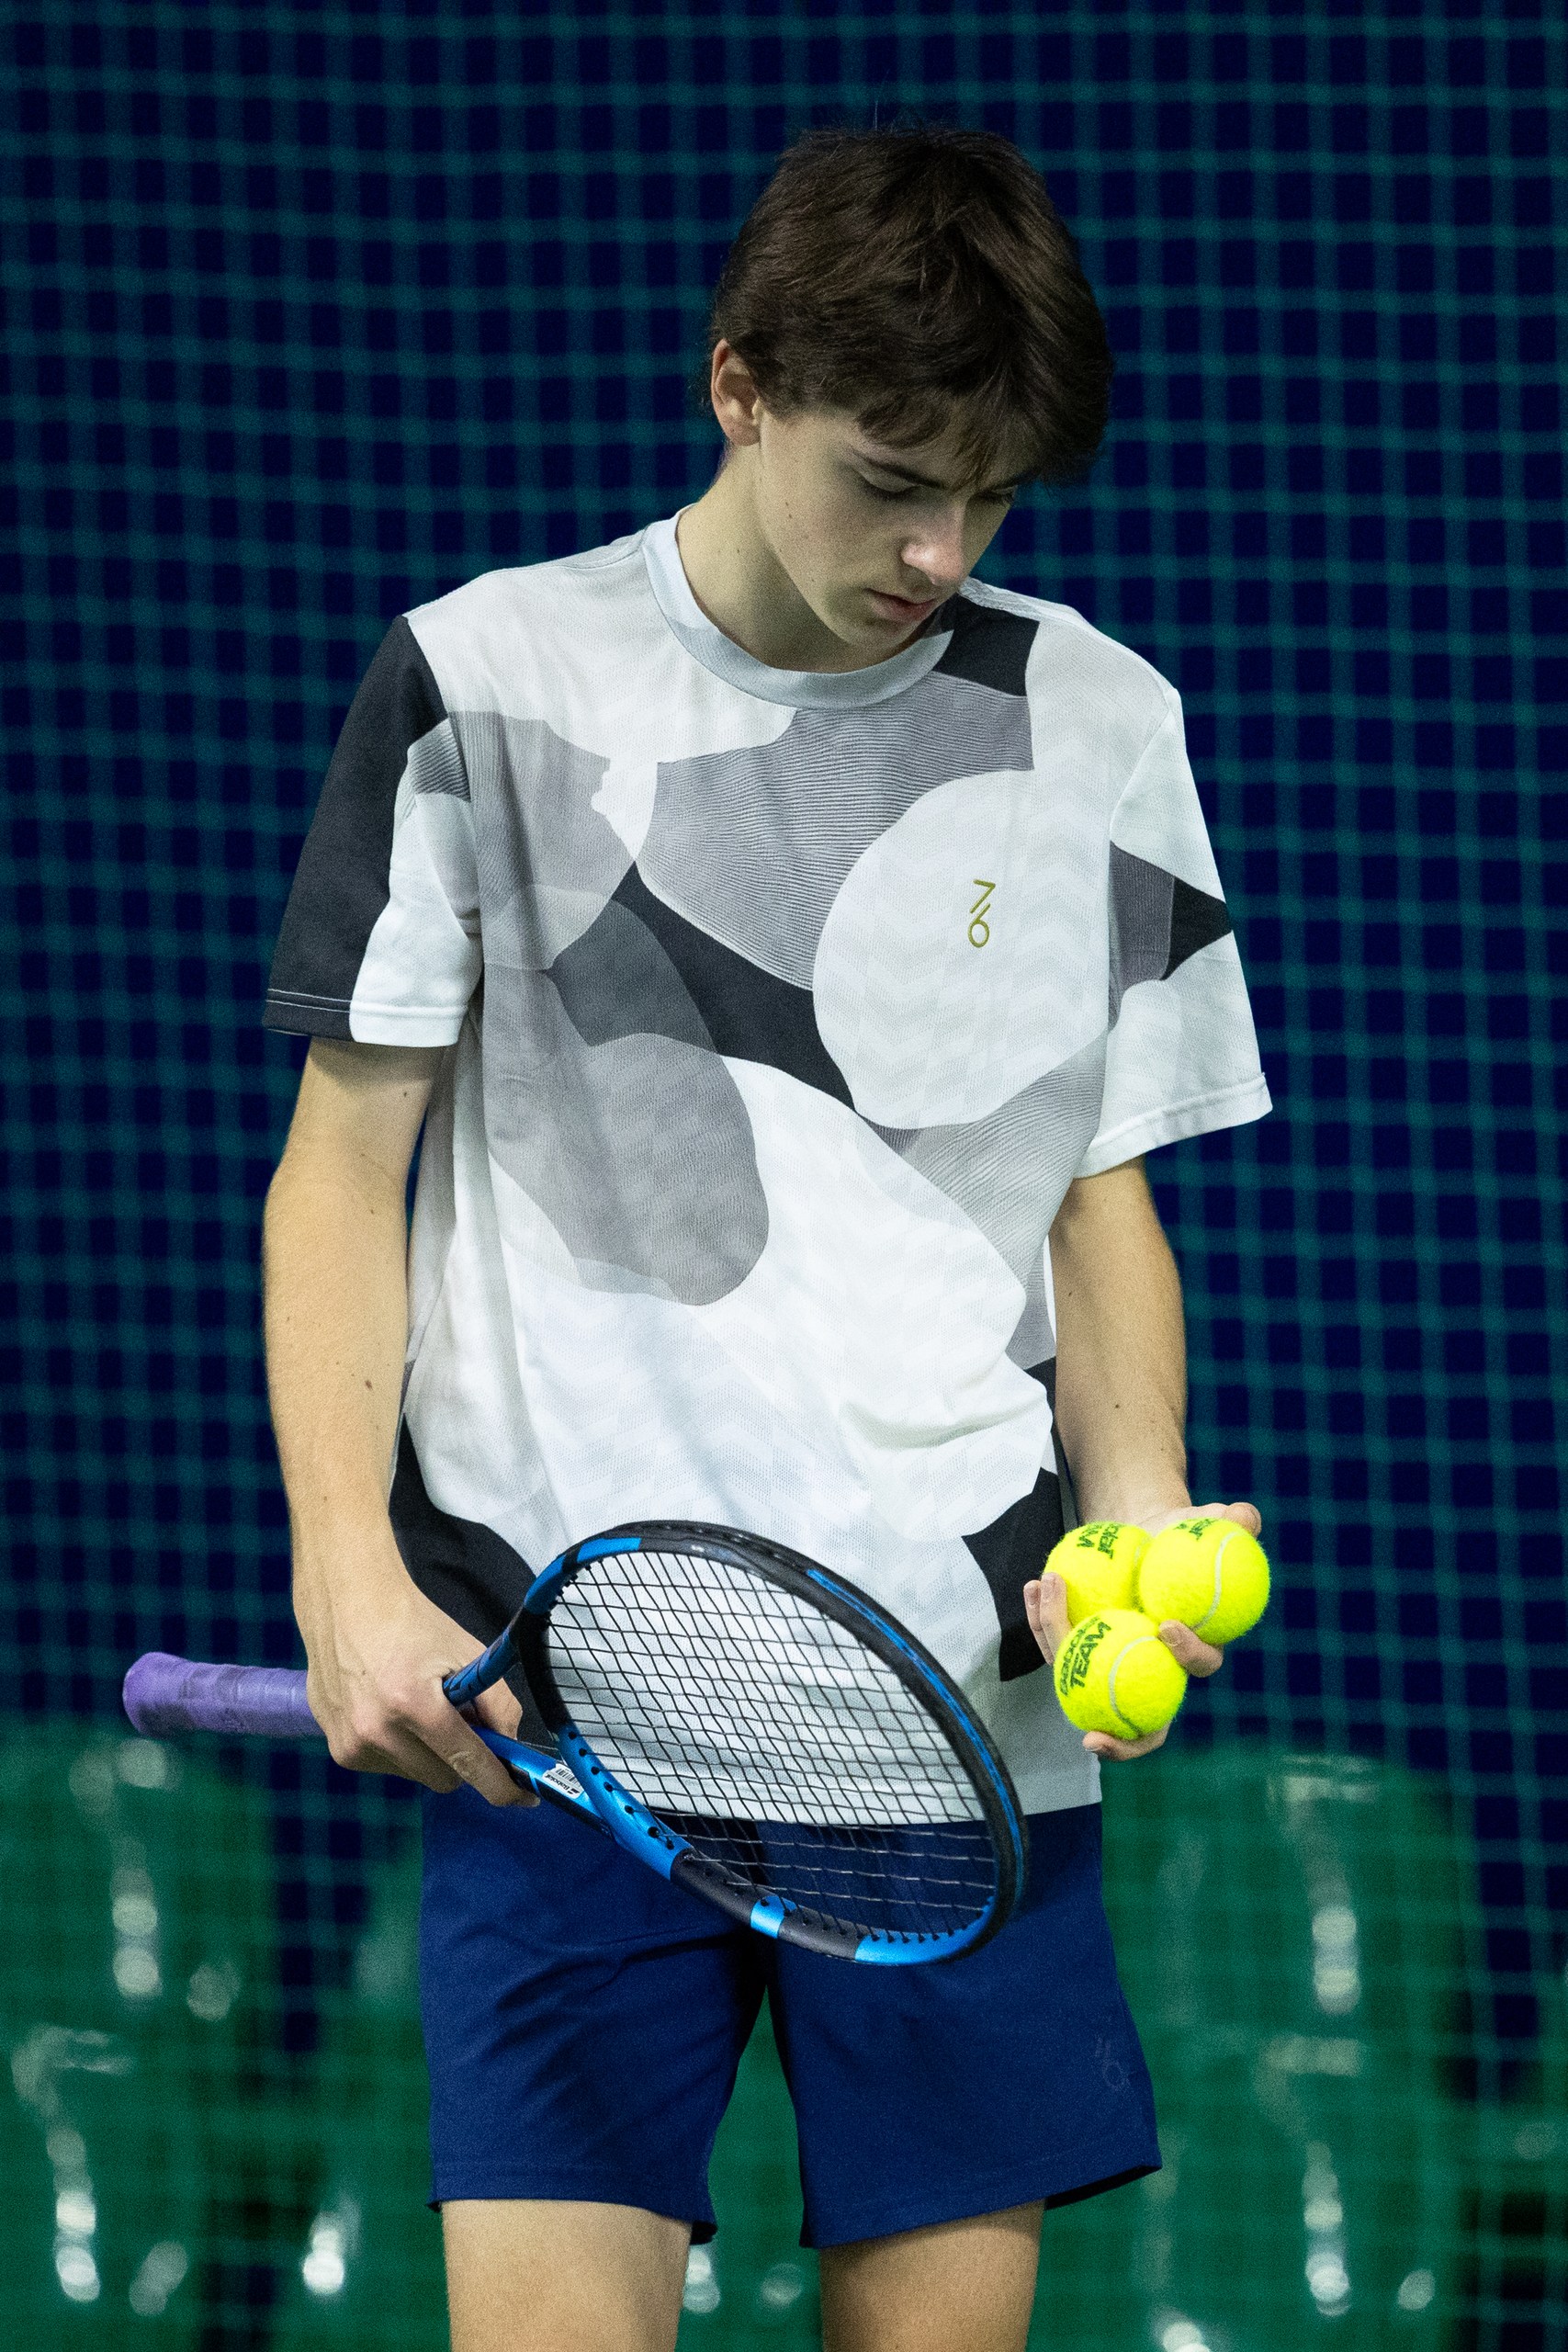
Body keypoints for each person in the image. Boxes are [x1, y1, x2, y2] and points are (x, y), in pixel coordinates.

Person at [261, 123, 1269, 2352]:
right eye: (889, 478)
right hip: (565, 1717)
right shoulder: (481, 679)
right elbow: (342, 1161)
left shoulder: (1100, 723)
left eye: (987, 497)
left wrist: (1131, 1507)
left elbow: (1095, 1189)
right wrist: (342, 1558)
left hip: (958, 1732)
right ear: (739, 384)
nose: (937, 549)